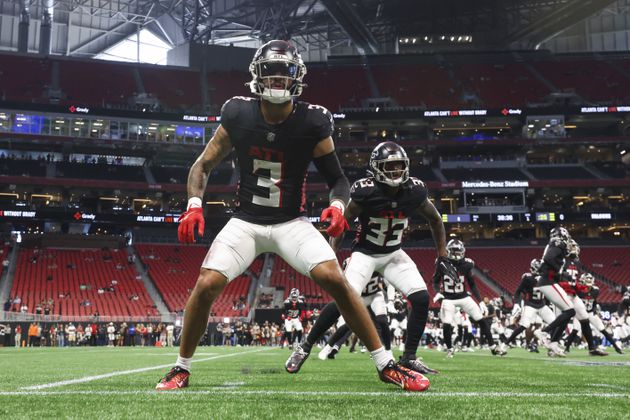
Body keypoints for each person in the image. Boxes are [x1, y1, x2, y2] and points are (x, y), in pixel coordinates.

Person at [156, 40, 428, 392]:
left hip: (290, 222)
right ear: (257, 74)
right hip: (246, 221)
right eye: (271, 72)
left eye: (286, 73)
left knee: (335, 278)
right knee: (207, 283)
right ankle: (181, 368)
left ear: (297, 77)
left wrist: (338, 205)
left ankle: (386, 364)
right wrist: (194, 204)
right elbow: (202, 164)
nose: (279, 80)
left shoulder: (313, 120)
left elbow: (338, 179)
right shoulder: (238, 113)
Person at [285, 142, 446, 375]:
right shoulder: (365, 191)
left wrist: (442, 256)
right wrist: (331, 258)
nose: (396, 172)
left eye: (400, 166)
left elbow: (436, 220)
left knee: (421, 298)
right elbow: (341, 226)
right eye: (389, 167)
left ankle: (409, 356)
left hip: (393, 253)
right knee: (343, 299)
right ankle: (305, 347)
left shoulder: (415, 191)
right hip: (365, 254)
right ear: (376, 169)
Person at [433, 239, 507, 358]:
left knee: (481, 320)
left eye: (458, 252)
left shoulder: (467, 264)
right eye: (454, 252)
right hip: (448, 298)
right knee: (446, 323)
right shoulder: (442, 262)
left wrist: (481, 301)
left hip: (463, 296)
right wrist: (438, 292)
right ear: (448, 251)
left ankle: (493, 347)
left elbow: (472, 284)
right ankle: (450, 349)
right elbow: (435, 282)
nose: (457, 255)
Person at [533, 227, 579, 357]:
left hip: (550, 281)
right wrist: (560, 268)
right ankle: (544, 332)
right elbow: (549, 258)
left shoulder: (555, 244)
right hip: (547, 281)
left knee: (568, 312)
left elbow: (551, 261)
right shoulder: (557, 242)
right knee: (570, 311)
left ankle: (553, 343)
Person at [504, 259, 555, 347]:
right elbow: (518, 292)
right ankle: (505, 344)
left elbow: (549, 291)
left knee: (556, 322)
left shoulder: (546, 277)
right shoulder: (528, 278)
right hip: (531, 305)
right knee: (524, 325)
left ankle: (551, 343)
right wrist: (517, 303)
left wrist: (549, 302)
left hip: (542, 305)